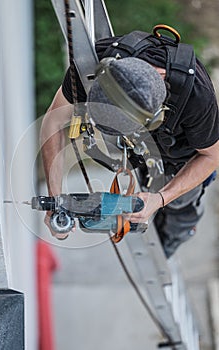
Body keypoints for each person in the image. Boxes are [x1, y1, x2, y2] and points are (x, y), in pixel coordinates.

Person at [40, 27, 219, 257]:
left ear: (155, 117)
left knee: (178, 207)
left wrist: (160, 199)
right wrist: (55, 198)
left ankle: (178, 235)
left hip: (182, 158)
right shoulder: (93, 64)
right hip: (142, 148)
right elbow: (53, 121)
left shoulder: (197, 99)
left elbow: (212, 156)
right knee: (145, 183)